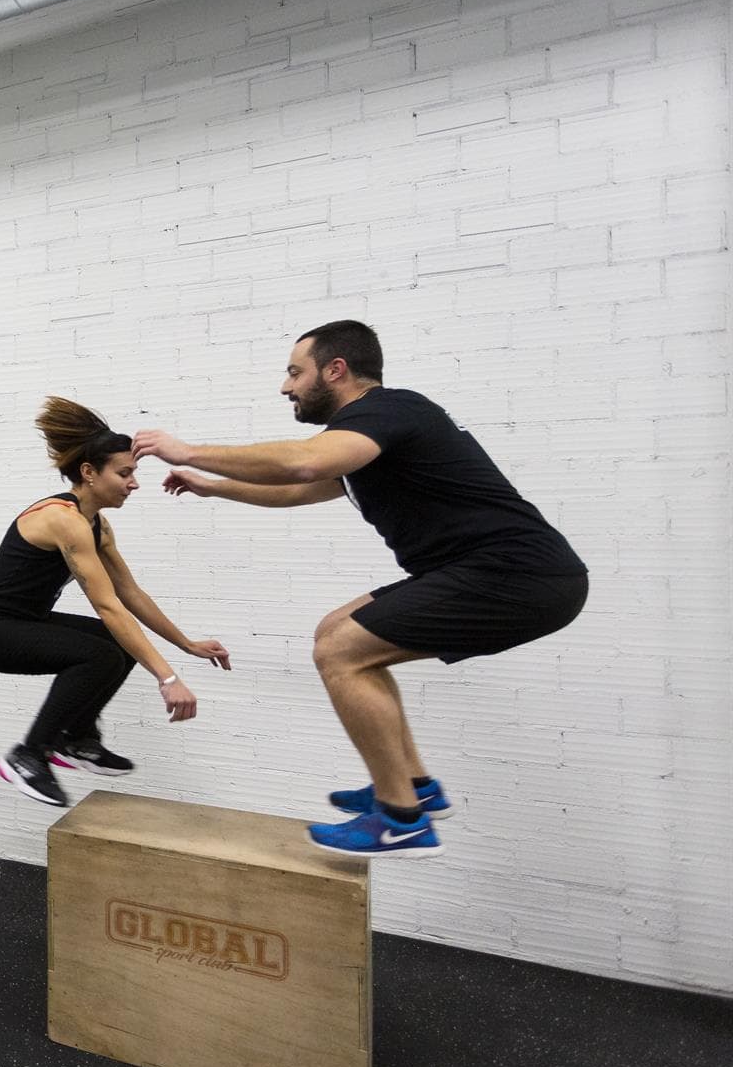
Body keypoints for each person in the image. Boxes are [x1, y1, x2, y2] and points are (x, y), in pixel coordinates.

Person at [135, 320, 587, 858]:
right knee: (337, 631)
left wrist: (187, 452)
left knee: (342, 651)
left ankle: (402, 821)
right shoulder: (374, 438)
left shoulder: (386, 411)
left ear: (336, 370)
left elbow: (302, 462)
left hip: (518, 576)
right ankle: (415, 786)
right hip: (496, 574)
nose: (287, 387)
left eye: (294, 373)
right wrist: (215, 489)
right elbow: (301, 488)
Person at [0, 398, 231, 808]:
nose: (133, 483)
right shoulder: (63, 519)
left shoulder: (96, 525)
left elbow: (130, 594)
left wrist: (186, 644)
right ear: (89, 473)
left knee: (114, 646)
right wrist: (168, 679)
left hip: (23, 621)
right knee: (98, 653)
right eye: (124, 473)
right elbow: (107, 607)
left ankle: (78, 740)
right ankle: (29, 755)